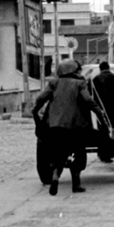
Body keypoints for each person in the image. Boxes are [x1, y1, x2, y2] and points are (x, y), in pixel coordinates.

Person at [32, 58, 95, 195]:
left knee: (59, 153)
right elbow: (88, 100)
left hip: (55, 126)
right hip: (75, 126)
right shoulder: (80, 82)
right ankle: (76, 184)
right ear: (74, 70)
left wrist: (35, 110)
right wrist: (99, 112)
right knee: (78, 153)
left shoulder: (54, 82)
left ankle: (55, 178)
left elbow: (41, 98)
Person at [89, 62, 114, 164]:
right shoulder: (113, 78)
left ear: (100, 69)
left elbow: (90, 94)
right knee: (112, 129)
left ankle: (101, 153)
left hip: (99, 110)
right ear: (108, 68)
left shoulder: (96, 79)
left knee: (102, 130)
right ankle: (109, 154)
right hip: (112, 109)